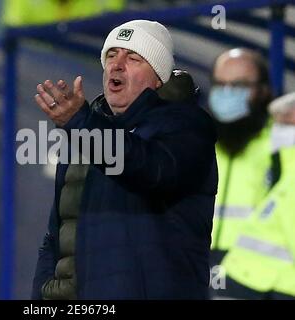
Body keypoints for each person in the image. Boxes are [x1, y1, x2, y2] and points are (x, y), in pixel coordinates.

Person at [32, 20, 218, 300]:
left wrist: (81, 124)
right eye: (111, 55)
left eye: (133, 57)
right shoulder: (83, 132)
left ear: (159, 78)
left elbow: (152, 169)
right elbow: (55, 236)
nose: (116, 65)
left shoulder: (187, 126)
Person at [218, 92, 295, 300]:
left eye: (287, 123)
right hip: (245, 279)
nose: (279, 130)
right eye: (278, 123)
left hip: (262, 282)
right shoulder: (283, 168)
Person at [208, 48, 276, 268]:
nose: (227, 92)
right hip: (197, 271)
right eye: (220, 84)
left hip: (257, 279)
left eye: (238, 85)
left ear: (263, 91)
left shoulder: (281, 147)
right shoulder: (198, 144)